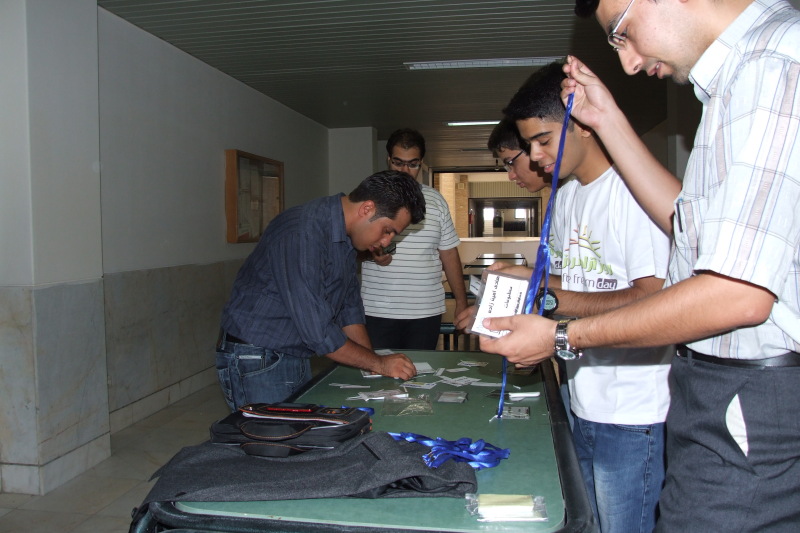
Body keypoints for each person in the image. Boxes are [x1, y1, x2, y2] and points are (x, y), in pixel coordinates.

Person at [481, 1, 800, 531]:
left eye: (623, 32)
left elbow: (737, 294)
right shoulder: (734, 80)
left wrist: (561, 336)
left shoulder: (772, 61)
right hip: (707, 391)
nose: (628, 63)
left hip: (752, 396)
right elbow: (687, 227)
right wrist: (607, 119)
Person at [502, 62, 673, 533]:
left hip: (633, 410)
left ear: (582, 124)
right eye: (528, 146)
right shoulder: (568, 195)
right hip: (583, 398)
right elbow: (573, 284)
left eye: (543, 140)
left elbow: (652, 298)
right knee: (586, 524)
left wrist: (549, 308)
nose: (535, 156)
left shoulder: (632, 192)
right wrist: (526, 288)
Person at [216, 170, 426, 411]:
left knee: (300, 428)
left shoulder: (346, 236)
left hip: (293, 351)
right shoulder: (302, 231)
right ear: (367, 208)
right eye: (387, 230)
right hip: (257, 357)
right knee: (274, 433)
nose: (386, 242)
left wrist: (372, 367)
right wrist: (379, 363)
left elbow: (348, 307)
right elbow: (319, 332)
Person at [359, 129, 468, 350]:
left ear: (421, 163)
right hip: (377, 310)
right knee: (379, 369)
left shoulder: (436, 201)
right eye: (398, 163)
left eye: (413, 164)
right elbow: (352, 246)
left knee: (421, 368)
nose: (405, 171)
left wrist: (461, 302)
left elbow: (449, 253)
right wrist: (371, 255)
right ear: (388, 160)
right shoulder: (368, 198)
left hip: (425, 311)